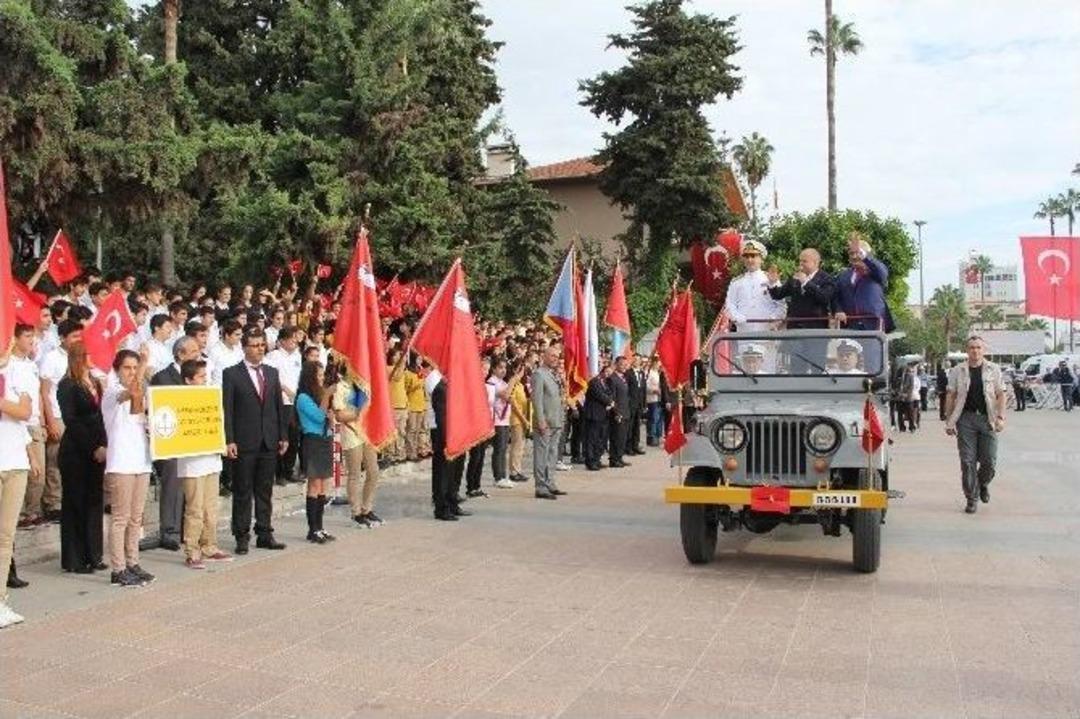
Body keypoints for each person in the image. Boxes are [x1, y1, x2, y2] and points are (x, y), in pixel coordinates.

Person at [222, 329, 289, 553]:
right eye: (254, 345)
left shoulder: (271, 372)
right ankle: (241, 535)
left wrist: (283, 435)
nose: (260, 348)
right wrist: (229, 439)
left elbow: (278, 406)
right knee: (242, 491)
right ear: (244, 348)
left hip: (269, 440)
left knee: (264, 490)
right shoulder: (231, 374)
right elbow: (227, 410)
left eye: (262, 344)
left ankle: (264, 532)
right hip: (244, 440)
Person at [102, 350, 154, 587]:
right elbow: (130, 391)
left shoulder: (140, 394)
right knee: (120, 518)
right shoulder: (112, 392)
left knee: (136, 517)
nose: (132, 372)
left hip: (140, 460)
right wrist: (143, 364)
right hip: (120, 462)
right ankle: (118, 568)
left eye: (134, 368)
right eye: (127, 368)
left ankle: (133, 562)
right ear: (117, 369)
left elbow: (139, 408)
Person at [176, 359, 233, 569]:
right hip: (192, 462)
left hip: (211, 459)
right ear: (188, 380)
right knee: (195, 509)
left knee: (211, 508)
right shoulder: (179, 399)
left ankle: (209, 545)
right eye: (200, 377)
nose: (205, 380)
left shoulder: (211, 397)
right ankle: (192, 550)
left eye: (205, 376)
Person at [57, 343, 107, 574]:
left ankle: (93, 554)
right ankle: (75, 558)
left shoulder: (95, 382)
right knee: (75, 503)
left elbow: (101, 415)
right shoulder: (67, 385)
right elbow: (72, 420)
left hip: (98, 448)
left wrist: (104, 444)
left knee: (94, 502)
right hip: (77, 451)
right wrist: (92, 447)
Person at [944, 336, 1006, 514]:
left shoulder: (994, 369)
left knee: (989, 461)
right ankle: (971, 498)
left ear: (983, 350)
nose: (975, 351)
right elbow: (951, 395)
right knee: (967, 461)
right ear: (967, 350)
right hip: (966, 420)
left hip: (988, 420)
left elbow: (1001, 394)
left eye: (978, 347)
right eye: (971, 347)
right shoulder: (958, 370)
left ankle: (982, 484)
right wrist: (949, 421)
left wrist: (1001, 417)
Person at [150, 336, 201, 551]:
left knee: (189, 486)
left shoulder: (198, 377)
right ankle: (169, 530)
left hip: (190, 438)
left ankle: (185, 528)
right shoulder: (163, 377)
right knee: (172, 484)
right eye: (193, 352)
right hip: (169, 441)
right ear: (180, 354)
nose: (197, 356)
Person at [0, 346, 36, 628]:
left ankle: (0, 600)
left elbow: (25, 412)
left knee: (5, 536)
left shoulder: (17, 371)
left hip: (15, 462)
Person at [40, 319, 83, 524]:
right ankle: (53, 503)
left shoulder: (80, 358)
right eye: (74, 336)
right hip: (58, 414)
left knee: (74, 460)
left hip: (76, 416)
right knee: (55, 460)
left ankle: (71, 499)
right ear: (62, 338)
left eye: (79, 336)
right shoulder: (51, 358)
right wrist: (50, 420)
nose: (78, 340)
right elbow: (45, 391)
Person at [768, 248, 837, 373]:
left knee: (817, 368)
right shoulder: (795, 278)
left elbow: (824, 298)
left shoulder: (826, 279)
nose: (800, 265)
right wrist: (772, 283)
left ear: (816, 262)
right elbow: (779, 294)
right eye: (800, 261)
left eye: (804, 261)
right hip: (796, 332)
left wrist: (806, 282)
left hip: (816, 332)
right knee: (796, 369)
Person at [833, 233, 893, 370]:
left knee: (873, 364)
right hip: (850, 325)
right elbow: (836, 296)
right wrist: (838, 309)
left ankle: (872, 390)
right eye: (851, 253)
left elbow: (882, 274)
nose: (854, 256)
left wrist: (863, 257)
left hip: (872, 325)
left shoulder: (876, 271)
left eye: (857, 252)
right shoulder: (844, 275)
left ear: (866, 254)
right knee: (848, 363)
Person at [333, 369, 384, 528]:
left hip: (367, 432)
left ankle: (366, 508)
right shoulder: (340, 387)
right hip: (351, 432)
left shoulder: (364, 386)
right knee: (354, 473)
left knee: (373, 471)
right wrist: (360, 412)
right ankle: (355, 512)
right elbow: (340, 415)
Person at [296, 361, 336, 544]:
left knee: (322, 486)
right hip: (312, 441)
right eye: (318, 375)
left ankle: (320, 527)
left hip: (324, 440)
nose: (321, 379)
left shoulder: (319, 395)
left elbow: (328, 416)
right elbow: (319, 417)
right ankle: (312, 529)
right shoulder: (303, 398)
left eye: (322, 375)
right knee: (314, 485)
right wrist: (327, 395)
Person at [11, 325, 46, 530]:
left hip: (33, 421)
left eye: (33, 335)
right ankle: (18, 512)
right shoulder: (9, 365)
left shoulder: (32, 365)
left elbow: (39, 393)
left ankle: (31, 511)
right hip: (16, 423)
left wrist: (41, 420)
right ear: (15, 339)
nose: (31, 340)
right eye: (26, 336)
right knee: (19, 471)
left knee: (37, 473)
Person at [265, 326, 302, 484]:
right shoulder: (273, 356)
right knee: (282, 437)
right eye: (291, 338)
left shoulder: (297, 356)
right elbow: (271, 378)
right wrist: (285, 389)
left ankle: (289, 470)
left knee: (294, 437)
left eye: (295, 338)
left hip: (295, 401)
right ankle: (278, 473)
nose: (295, 341)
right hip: (281, 401)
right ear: (281, 341)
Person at [428, 371, 468, 520]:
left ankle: (453, 503)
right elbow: (442, 418)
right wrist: (448, 440)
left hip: (457, 437)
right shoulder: (441, 389)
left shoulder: (455, 388)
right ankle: (442, 508)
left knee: (454, 473)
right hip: (445, 439)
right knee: (443, 474)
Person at [724, 239, 787, 332]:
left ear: (761, 259)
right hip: (744, 331)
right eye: (746, 256)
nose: (750, 260)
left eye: (753, 256)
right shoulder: (736, 282)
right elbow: (729, 305)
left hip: (767, 331)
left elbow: (781, 305)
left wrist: (772, 319)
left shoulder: (771, 280)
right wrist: (738, 318)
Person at [531, 344, 566, 499]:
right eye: (552, 356)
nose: (555, 359)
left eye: (557, 356)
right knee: (542, 454)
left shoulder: (554, 375)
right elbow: (536, 400)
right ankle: (540, 487)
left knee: (552, 455)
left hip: (556, 421)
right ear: (544, 356)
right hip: (545, 422)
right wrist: (541, 420)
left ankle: (550, 482)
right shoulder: (539, 374)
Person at [464, 356, 494, 499]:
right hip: (474, 425)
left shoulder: (486, 385)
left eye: (487, 369)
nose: (485, 372)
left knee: (481, 456)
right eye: (483, 368)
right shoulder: (472, 385)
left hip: (484, 424)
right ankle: (470, 487)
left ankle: (477, 485)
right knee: (475, 457)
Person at [487, 358, 519, 490]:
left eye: (505, 368)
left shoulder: (503, 382)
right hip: (496, 420)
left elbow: (510, 396)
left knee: (504, 449)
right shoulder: (491, 382)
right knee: (499, 449)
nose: (503, 370)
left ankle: (503, 475)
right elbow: (505, 395)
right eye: (500, 367)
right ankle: (498, 477)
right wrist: (514, 379)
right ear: (493, 369)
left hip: (505, 419)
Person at [582, 362, 614, 472]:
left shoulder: (605, 382)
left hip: (603, 414)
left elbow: (610, 393)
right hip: (593, 414)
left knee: (601, 438)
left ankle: (597, 459)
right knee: (592, 438)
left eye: (610, 372)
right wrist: (610, 402)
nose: (608, 374)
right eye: (607, 372)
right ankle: (590, 461)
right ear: (601, 371)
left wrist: (611, 401)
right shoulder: (594, 382)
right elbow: (599, 395)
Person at [507, 358, 532, 482]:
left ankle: (518, 469)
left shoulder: (520, 384)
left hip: (523, 417)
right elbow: (513, 403)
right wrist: (523, 419)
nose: (523, 372)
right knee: (516, 446)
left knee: (521, 446)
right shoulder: (512, 384)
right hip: (516, 419)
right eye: (521, 370)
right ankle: (513, 471)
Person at [608, 356, 631, 468]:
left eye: (625, 364)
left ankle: (619, 457)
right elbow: (612, 398)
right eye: (622, 364)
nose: (624, 366)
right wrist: (616, 413)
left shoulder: (623, 378)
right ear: (616, 364)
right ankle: (614, 459)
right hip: (618, 413)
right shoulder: (612, 378)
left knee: (622, 437)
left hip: (625, 411)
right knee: (616, 437)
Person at [623, 355, 646, 456]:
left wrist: (644, 404)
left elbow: (643, 390)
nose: (637, 361)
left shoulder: (641, 373)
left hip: (639, 404)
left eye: (638, 360)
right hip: (631, 404)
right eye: (635, 360)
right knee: (630, 426)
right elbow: (626, 389)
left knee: (637, 426)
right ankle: (628, 447)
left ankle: (635, 445)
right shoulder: (628, 373)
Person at [645, 359, 664, 446]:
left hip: (660, 399)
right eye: (657, 363)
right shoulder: (650, 373)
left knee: (659, 419)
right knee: (653, 418)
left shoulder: (658, 373)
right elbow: (646, 386)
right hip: (653, 399)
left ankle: (658, 436)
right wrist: (654, 390)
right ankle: (652, 437)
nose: (658, 365)